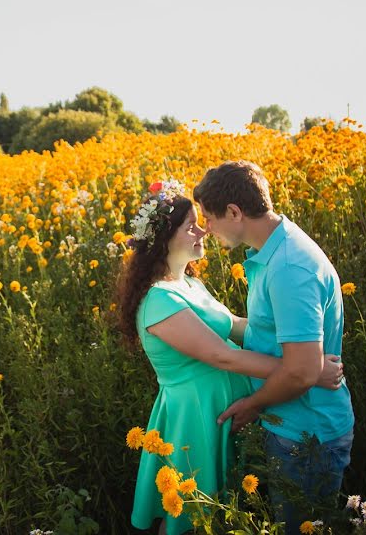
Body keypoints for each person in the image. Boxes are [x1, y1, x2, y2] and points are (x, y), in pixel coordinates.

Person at [116, 179, 344, 535]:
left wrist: (301, 342)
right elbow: (223, 356)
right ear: (164, 239)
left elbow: (236, 325)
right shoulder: (159, 299)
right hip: (196, 413)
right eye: (191, 225)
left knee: (225, 512)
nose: (203, 231)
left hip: (226, 410)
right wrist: (309, 371)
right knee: (189, 514)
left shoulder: (190, 283)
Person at [192, 161, 354, 535]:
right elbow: (278, 339)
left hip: (307, 433)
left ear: (235, 212)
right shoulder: (276, 249)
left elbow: (300, 371)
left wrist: (253, 404)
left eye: (209, 218)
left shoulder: (288, 267)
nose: (205, 228)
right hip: (294, 423)